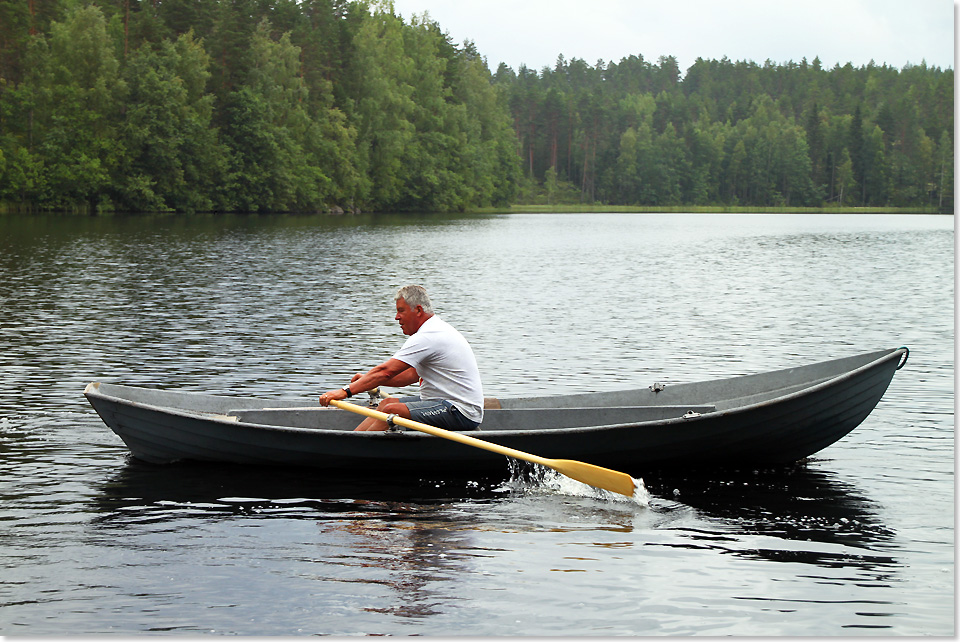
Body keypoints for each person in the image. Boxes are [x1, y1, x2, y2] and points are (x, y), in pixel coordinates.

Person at [318, 285, 484, 432]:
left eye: (401, 311)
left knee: (391, 410)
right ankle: (349, 443)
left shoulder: (429, 335)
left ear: (418, 310)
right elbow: (410, 375)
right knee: (386, 403)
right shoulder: (433, 330)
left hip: (461, 411)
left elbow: (386, 371)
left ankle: (352, 452)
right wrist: (368, 381)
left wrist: (344, 391)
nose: (396, 317)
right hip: (443, 403)